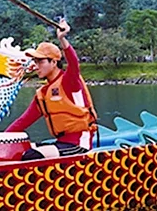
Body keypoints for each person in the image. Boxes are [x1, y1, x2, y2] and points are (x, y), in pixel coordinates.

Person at [7, 21, 98, 160]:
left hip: (79, 144)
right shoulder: (43, 94)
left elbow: (74, 64)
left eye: (40, 62)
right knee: (17, 150)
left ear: (54, 62)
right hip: (61, 143)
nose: (36, 66)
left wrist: (62, 39)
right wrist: (0, 139)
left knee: (32, 156)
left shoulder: (70, 81)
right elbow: (22, 121)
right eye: (35, 62)